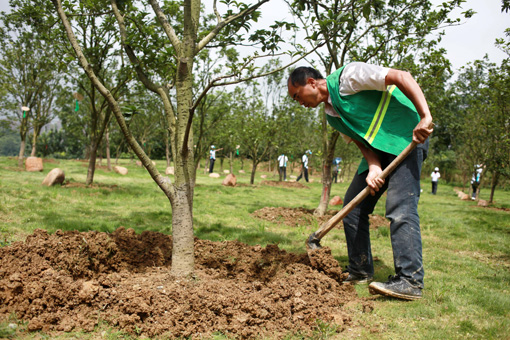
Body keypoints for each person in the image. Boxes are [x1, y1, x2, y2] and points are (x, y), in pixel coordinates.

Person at [288, 62, 433, 301]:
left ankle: (410, 280)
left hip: (406, 138)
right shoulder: (331, 115)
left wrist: (425, 116)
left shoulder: (348, 77)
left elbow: (400, 76)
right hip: (378, 152)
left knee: (400, 207)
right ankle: (360, 270)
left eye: (297, 95)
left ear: (311, 83)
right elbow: (359, 140)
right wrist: (374, 167)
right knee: (352, 210)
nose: (299, 103)